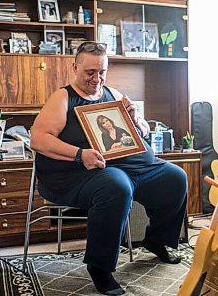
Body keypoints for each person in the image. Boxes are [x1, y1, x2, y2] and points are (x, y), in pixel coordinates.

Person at [30, 41, 187, 295]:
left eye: (102, 72)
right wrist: (80, 155)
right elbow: (38, 139)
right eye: (90, 72)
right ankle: (99, 267)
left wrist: (136, 119)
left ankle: (156, 240)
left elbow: (144, 131)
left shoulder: (112, 94)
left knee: (175, 177)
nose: (97, 78)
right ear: (75, 67)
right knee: (116, 185)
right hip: (74, 174)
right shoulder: (63, 97)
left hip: (126, 166)